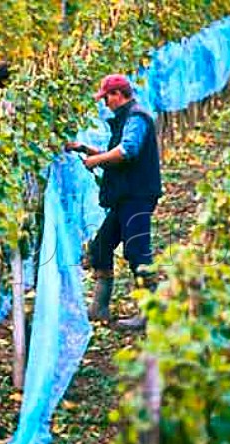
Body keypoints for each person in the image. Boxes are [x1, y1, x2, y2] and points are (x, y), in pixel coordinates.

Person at [66, 74, 162, 329]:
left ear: (118, 95)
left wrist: (95, 162)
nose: (105, 103)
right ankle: (99, 307)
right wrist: (85, 149)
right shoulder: (125, 118)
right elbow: (116, 150)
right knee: (101, 247)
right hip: (125, 195)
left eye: (106, 97)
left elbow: (127, 151)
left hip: (137, 195)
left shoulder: (136, 118)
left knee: (137, 251)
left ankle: (149, 314)